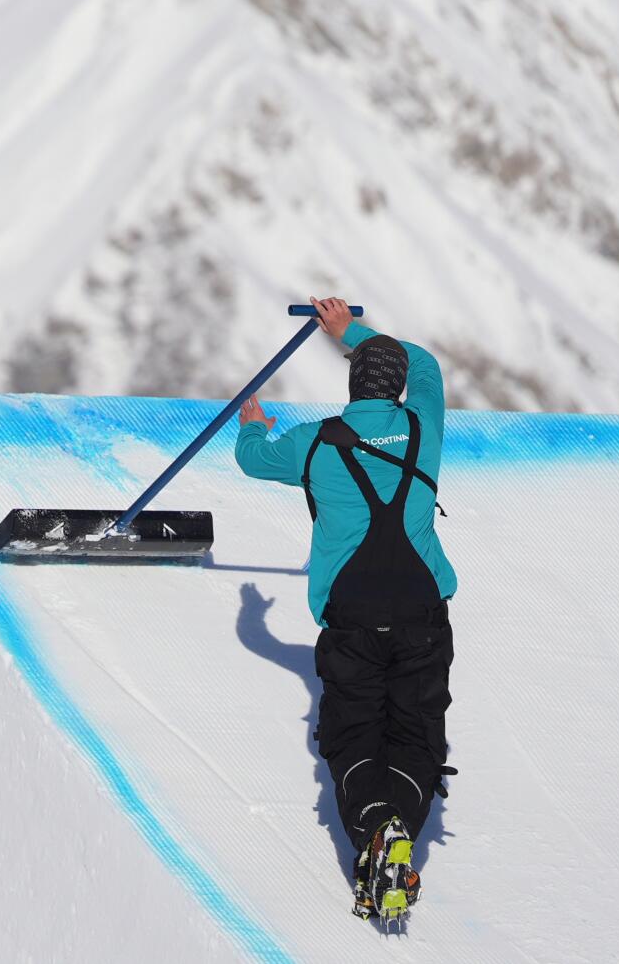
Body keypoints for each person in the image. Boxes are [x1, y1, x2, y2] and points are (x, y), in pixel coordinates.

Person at [233, 296, 456, 925]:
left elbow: (251, 459)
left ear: (354, 383)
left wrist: (253, 422)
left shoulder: (315, 444)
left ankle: (375, 831)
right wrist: (351, 332)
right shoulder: (423, 429)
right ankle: (400, 831)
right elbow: (428, 366)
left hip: (351, 619)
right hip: (421, 612)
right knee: (415, 733)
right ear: (397, 387)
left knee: (353, 733)